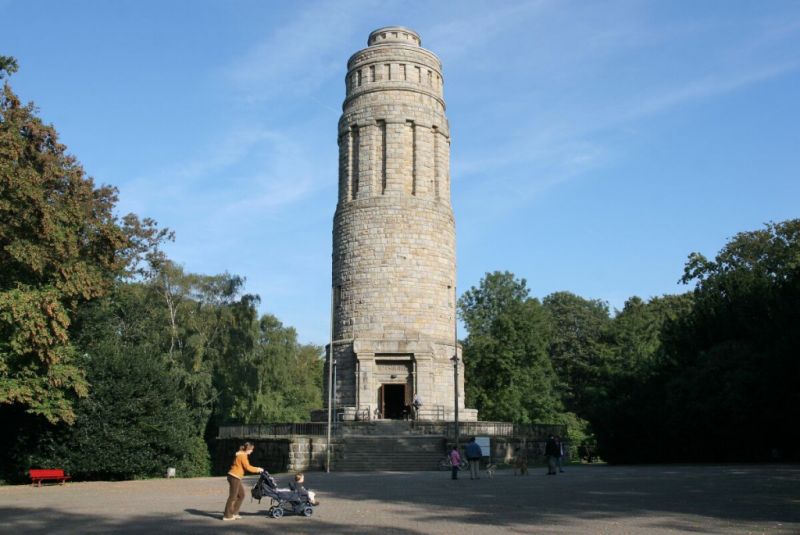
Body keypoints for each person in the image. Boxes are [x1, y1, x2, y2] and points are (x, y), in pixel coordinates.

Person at [223, 442, 264, 520]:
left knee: (241, 495)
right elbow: (247, 467)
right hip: (234, 476)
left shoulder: (242, 454)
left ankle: (234, 513)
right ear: (248, 449)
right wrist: (258, 469)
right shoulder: (242, 456)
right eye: (251, 450)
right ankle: (227, 516)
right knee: (233, 496)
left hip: (236, 477)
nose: (252, 451)